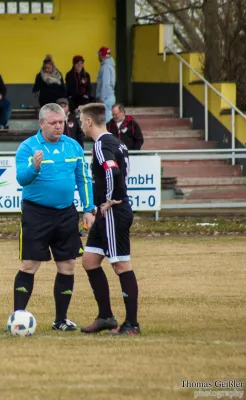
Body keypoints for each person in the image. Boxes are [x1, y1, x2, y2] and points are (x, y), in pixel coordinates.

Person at [13, 103, 95, 331]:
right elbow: (22, 178)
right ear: (41, 124)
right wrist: (34, 168)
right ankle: (18, 317)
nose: (59, 127)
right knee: (30, 264)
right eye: (53, 123)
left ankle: (61, 319)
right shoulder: (28, 147)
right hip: (36, 213)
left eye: (61, 122)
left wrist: (89, 208)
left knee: (68, 265)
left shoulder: (74, 147)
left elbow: (83, 179)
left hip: (66, 214)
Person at [77, 103, 140, 335]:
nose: (81, 125)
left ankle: (132, 324)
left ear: (89, 121)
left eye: (82, 120)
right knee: (90, 261)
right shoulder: (118, 142)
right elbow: (125, 170)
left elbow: (112, 171)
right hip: (105, 213)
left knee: (121, 264)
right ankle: (105, 317)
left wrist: (112, 199)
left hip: (113, 212)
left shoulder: (101, 144)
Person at [96, 47, 116, 123]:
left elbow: (105, 83)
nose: (98, 57)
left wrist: (102, 98)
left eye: (99, 55)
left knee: (106, 121)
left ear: (101, 55)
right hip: (109, 96)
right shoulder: (110, 66)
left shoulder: (105, 67)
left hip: (106, 98)